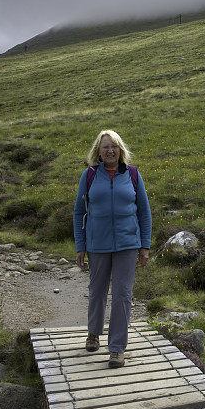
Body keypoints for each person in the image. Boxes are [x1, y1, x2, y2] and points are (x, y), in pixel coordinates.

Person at [73, 129, 152, 368]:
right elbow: (79, 213)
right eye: (105, 147)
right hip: (97, 244)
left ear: (121, 150)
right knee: (97, 290)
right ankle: (93, 333)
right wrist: (81, 246)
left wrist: (145, 246)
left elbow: (144, 212)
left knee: (122, 295)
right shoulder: (89, 176)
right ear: (98, 151)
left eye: (114, 146)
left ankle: (117, 349)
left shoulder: (133, 175)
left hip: (128, 244)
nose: (110, 151)